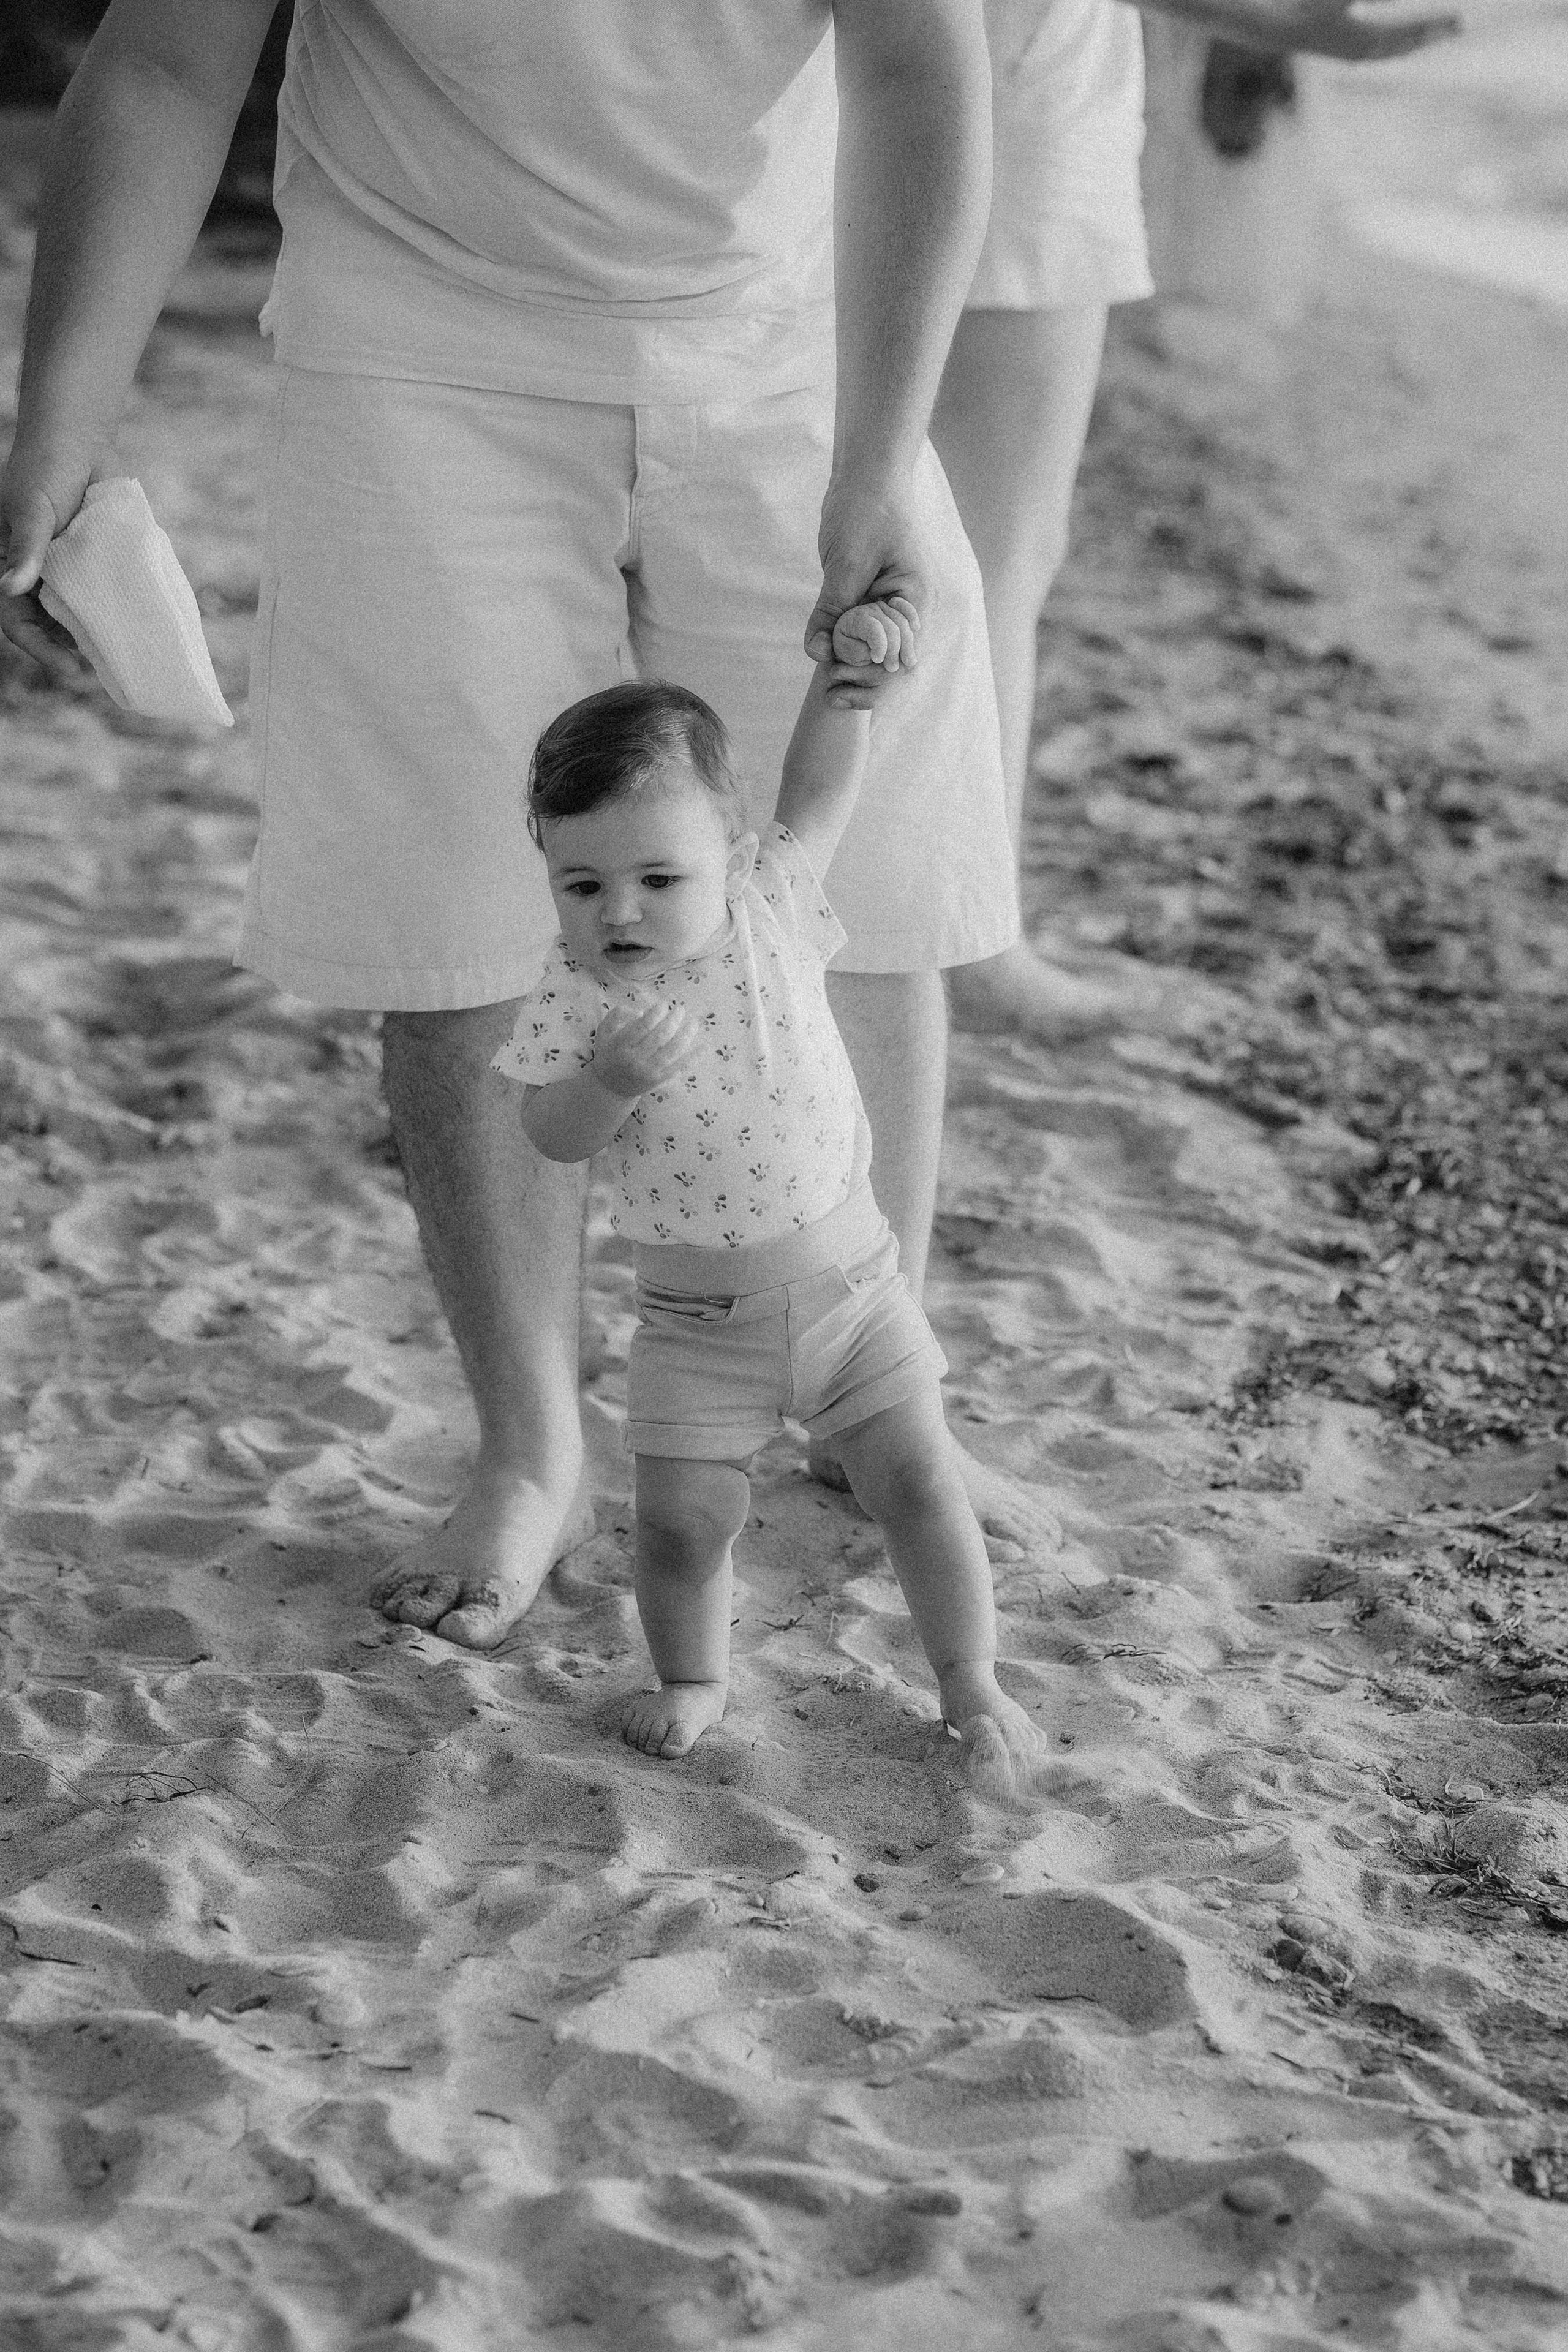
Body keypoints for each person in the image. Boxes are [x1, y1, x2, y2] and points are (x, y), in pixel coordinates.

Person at [0, 0, 1060, 1651]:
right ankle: (529, 1448)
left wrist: (873, 461)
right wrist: (51, 443)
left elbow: (923, 64)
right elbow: (164, 64)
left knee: (860, 869)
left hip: (789, 326)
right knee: (456, 898)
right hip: (418, 329)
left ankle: (875, 1390)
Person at [497, 605, 1046, 1778]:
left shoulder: (767, 908)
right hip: (697, 1331)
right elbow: (549, 1134)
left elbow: (822, 786)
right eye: (581, 883)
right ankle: (694, 1678)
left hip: (853, 1294)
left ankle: (970, 1678)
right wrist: (606, 1081)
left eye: (657, 876)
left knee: (918, 1481)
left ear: (730, 852)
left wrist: (848, 687)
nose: (620, 911)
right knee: (685, 1524)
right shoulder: (577, 996)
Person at [935, 0, 1461, 1045]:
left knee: (944, 549)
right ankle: (966, 943)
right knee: (991, 553)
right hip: (996, 87)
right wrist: (1290, 25)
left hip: (907, 88)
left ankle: (944, 929)